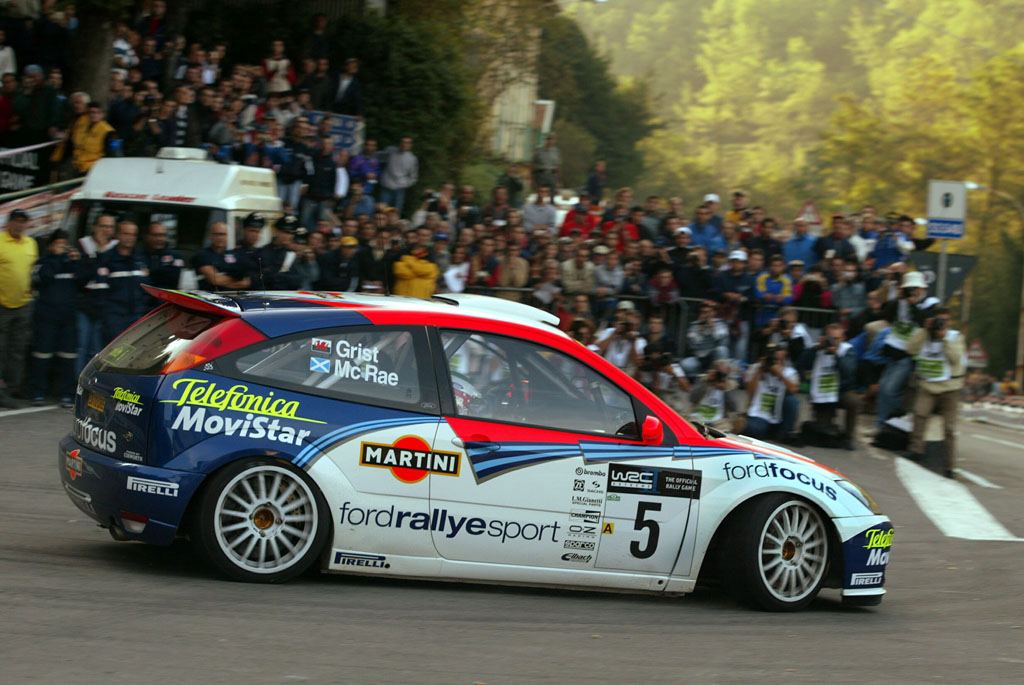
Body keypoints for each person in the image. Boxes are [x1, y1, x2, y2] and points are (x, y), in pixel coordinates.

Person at [904, 308, 964, 477]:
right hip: (928, 386)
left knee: (949, 429)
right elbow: (910, 349)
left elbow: (956, 358)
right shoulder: (924, 335)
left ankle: (949, 467)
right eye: (938, 320)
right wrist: (924, 330)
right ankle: (916, 450)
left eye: (945, 321)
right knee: (919, 415)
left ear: (949, 322)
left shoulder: (955, 337)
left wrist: (943, 338)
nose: (941, 324)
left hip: (950, 388)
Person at [29, 229, 86, 406]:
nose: (62, 247)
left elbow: (84, 281)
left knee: (68, 357)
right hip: (46, 317)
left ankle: (67, 394)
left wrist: (76, 261)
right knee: (42, 355)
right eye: (58, 244)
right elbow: (43, 278)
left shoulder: (72, 262)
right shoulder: (43, 262)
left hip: (68, 318)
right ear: (51, 245)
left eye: (64, 244)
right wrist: (55, 257)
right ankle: (38, 392)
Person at [876, 270, 938, 427]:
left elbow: (924, 322)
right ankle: (882, 426)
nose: (914, 292)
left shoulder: (928, 304)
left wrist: (913, 304)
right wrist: (898, 298)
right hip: (893, 351)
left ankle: (895, 421)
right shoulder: (900, 302)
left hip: (907, 355)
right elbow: (885, 315)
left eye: (915, 288)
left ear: (921, 289)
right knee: (883, 390)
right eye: (910, 289)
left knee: (889, 390)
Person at [802, 323, 860, 450]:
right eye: (830, 338)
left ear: (843, 338)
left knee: (854, 400)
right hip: (823, 393)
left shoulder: (847, 350)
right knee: (823, 431)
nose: (833, 341)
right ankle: (831, 426)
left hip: (841, 391)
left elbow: (848, 372)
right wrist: (815, 349)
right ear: (824, 337)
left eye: (837, 339)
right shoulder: (817, 349)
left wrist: (836, 355)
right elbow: (801, 364)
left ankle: (848, 437)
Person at [0, 209, 38, 399]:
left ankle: (12, 388)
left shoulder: (31, 243)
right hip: (2, 304)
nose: (19, 224)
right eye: (16, 220)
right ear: (9, 222)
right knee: (1, 349)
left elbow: (33, 271)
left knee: (18, 348)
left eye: (22, 221)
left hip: (23, 305)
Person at [98, 221, 150, 343]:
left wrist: (143, 310)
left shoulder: (141, 259)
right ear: (117, 235)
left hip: (137, 316)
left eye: (133, 234)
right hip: (114, 318)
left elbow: (146, 288)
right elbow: (100, 291)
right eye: (126, 234)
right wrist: (107, 315)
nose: (130, 238)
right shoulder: (106, 259)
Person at [744, 343, 801, 445]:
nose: (775, 362)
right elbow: (750, 392)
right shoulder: (756, 368)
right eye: (773, 359)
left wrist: (779, 374)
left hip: (779, 415)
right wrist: (760, 371)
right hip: (760, 415)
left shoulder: (789, 372)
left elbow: (794, 390)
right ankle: (765, 431)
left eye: (778, 360)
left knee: (792, 401)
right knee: (756, 429)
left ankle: (783, 432)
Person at [192, 221, 251, 292]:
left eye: (223, 234)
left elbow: (246, 282)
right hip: (210, 296)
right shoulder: (202, 255)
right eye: (216, 234)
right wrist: (237, 280)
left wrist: (224, 280)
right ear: (210, 235)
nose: (219, 237)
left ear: (227, 236)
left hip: (233, 296)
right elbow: (215, 280)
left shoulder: (235, 254)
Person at [689, 359, 741, 433]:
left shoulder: (730, 385)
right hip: (698, 417)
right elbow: (692, 399)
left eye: (723, 374)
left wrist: (725, 389)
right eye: (718, 373)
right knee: (693, 429)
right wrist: (706, 383)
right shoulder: (702, 379)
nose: (720, 376)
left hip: (719, 420)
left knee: (724, 433)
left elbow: (734, 408)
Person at [682, 301, 729, 377]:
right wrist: (700, 329)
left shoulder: (720, 323)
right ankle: (702, 376)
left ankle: (721, 376)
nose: (705, 315)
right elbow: (692, 346)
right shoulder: (694, 325)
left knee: (722, 349)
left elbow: (723, 341)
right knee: (685, 364)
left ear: (714, 313)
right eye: (702, 312)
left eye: (707, 312)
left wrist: (713, 327)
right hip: (700, 358)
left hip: (713, 358)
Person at [140, 221, 183, 300]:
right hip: (143, 301)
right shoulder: (138, 256)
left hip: (166, 301)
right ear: (146, 236)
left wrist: (151, 272)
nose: (160, 239)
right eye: (156, 235)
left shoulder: (174, 255)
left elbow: (173, 278)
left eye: (163, 235)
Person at [259, 215, 303, 290]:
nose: (288, 236)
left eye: (291, 233)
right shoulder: (262, 252)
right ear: (276, 231)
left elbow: (298, 281)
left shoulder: (292, 254)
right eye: (285, 232)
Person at [380, 136, 418, 214]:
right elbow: (379, 161)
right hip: (386, 187)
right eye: (403, 142)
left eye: (407, 143)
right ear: (399, 143)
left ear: (410, 145)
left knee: (395, 213)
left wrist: (405, 185)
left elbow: (413, 176)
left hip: (399, 190)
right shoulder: (390, 151)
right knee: (382, 212)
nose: (404, 144)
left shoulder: (412, 159)